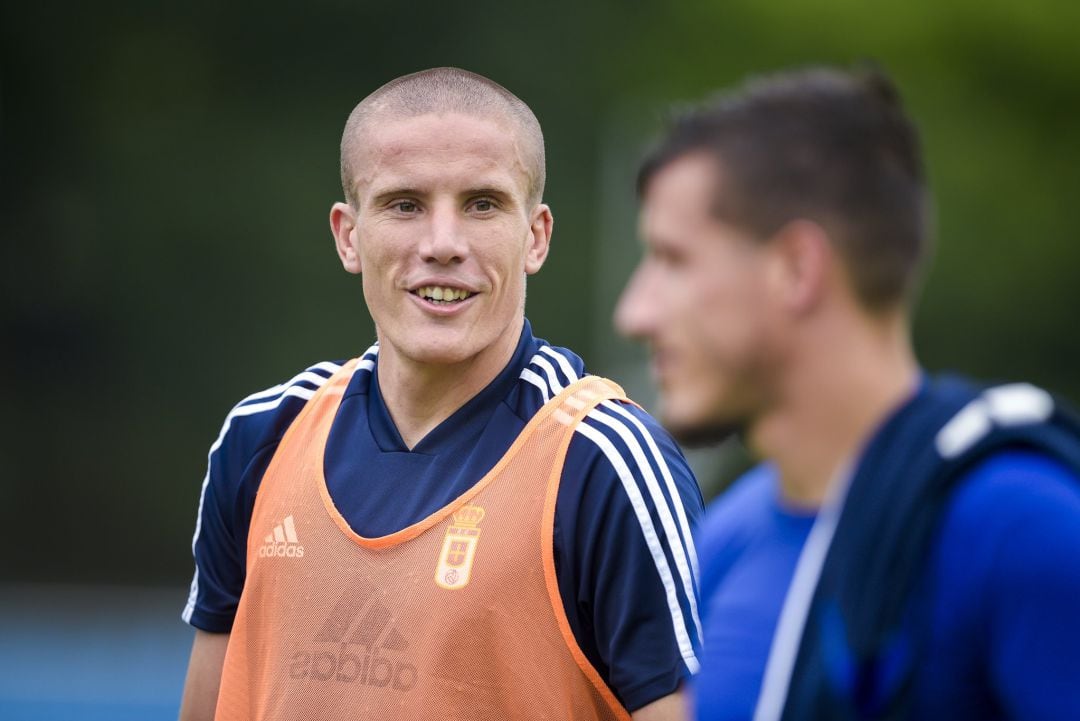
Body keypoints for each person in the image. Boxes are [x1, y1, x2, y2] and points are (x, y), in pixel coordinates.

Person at [178, 67, 703, 721]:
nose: (443, 244)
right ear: (348, 234)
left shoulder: (604, 462)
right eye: (405, 204)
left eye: (483, 203)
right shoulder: (263, 435)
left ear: (535, 236)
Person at [615, 66, 1080, 721]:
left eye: (674, 259)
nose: (635, 313)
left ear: (796, 269)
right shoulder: (723, 540)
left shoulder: (1021, 528)